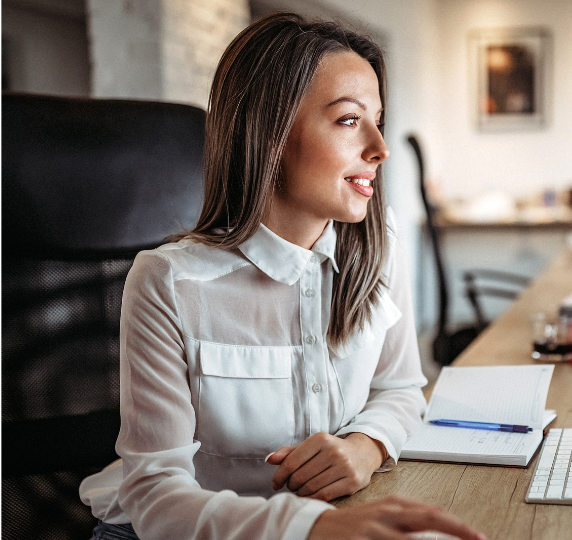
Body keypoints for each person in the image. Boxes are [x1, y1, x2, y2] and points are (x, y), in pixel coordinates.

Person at [79, 12, 486, 540]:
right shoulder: (167, 284)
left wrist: (366, 445)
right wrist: (309, 527)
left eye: (378, 121)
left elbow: (402, 387)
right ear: (269, 135)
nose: (380, 148)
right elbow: (155, 497)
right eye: (347, 120)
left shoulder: (378, 249)